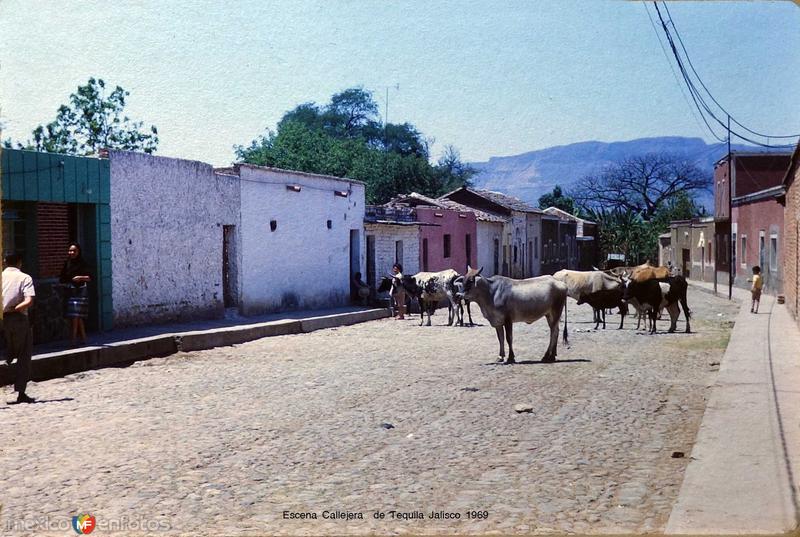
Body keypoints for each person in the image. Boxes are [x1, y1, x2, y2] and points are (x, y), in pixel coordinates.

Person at [2, 252, 36, 404]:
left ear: (4, 262)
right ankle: (21, 391)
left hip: (2, 319)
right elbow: (29, 300)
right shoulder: (24, 278)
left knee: (8, 351)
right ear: (20, 262)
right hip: (18, 319)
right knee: (24, 354)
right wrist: (15, 308)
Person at [59, 243, 92, 345]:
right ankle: (83, 338)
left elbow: (90, 277)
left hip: (80, 290)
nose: (71, 253)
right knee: (75, 315)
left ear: (78, 252)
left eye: (74, 251)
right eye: (70, 251)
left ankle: (73, 339)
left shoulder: (82, 263)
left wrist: (80, 278)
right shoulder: (67, 264)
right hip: (70, 291)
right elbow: (62, 278)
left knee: (76, 315)